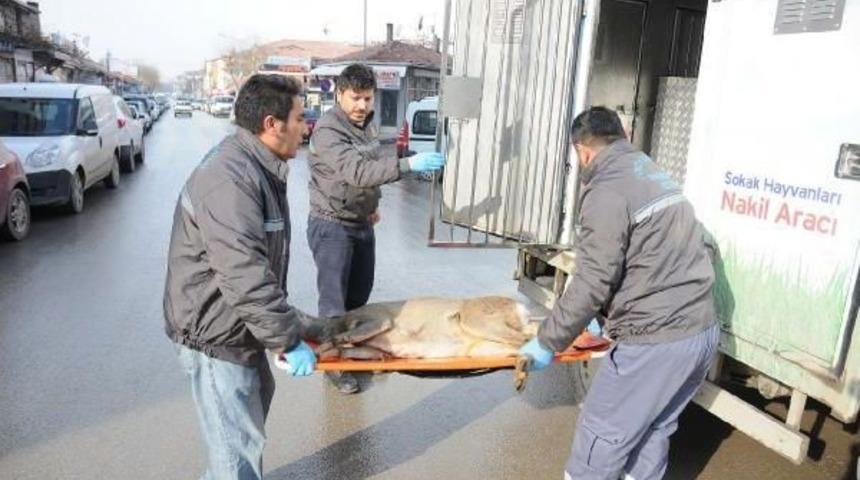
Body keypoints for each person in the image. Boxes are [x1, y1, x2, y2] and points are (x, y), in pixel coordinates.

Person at [519, 107, 719, 480]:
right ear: (623, 137)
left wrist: (548, 341)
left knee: (601, 437)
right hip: (701, 332)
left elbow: (593, 278)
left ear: (583, 151)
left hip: (654, 341)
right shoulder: (651, 171)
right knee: (651, 432)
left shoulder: (606, 190)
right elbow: (664, 252)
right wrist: (604, 318)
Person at [163, 74, 318, 480]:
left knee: (236, 445)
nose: (306, 127)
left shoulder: (258, 165)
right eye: (301, 118)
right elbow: (245, 273)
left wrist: (292, 329)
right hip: (216, 338)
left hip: (239, 329)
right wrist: (286, 338)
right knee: (236, 460)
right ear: (272, 124)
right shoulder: (230, 179)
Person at [307, 63, 445, 394]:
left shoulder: (366, 125)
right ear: (340, 94)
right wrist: (407, 164)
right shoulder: (328, 131)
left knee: (359, 296)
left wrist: (373, 205)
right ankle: (333, 365)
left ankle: (350, 351)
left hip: (360, 222)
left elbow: (371, 170)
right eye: (356, 98)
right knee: (334, 304)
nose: (363, 106)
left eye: (368, 98)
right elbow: (356, 172)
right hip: (332, 225)